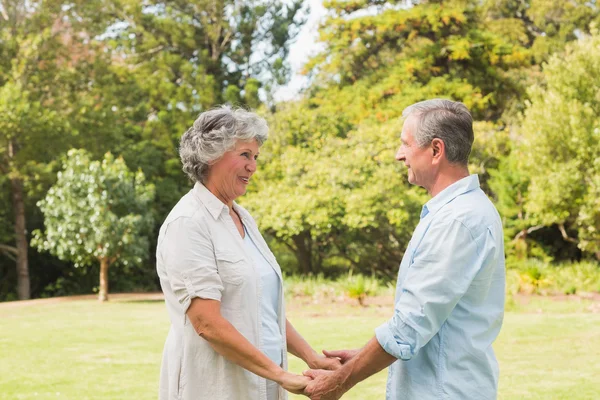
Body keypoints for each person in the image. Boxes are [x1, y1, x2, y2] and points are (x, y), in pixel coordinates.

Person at [304, 99, 506, 400]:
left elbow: (411, 325)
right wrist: (363, 356)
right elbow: (429, 326)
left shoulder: (458, 220)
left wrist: (341, 381)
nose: (400, 155)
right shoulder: (454, 213)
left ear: (436, 150)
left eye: (405, 144)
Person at [156, 106, 340, 400]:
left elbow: (263, 308)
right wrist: (281, 375)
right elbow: (207, 323)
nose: (253, 166)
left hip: (265, 384)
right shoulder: (188, 223)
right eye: (244, 155)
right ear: (212, 154)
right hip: (216, 388)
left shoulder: (243, 218)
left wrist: (311, 358)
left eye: (255, 157)